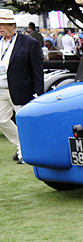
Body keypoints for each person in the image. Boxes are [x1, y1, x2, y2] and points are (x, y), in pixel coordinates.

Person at [0, 9, 43, 164]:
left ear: (13, 25)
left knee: (24, 122)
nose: (0, 28)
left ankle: (25, 153)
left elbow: (37, 70)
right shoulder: (0, 42)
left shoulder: (29, 43)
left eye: (3, 24)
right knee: (2, 120)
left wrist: (38, 93)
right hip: (1, 90)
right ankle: (21, 146)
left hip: (21, 90)